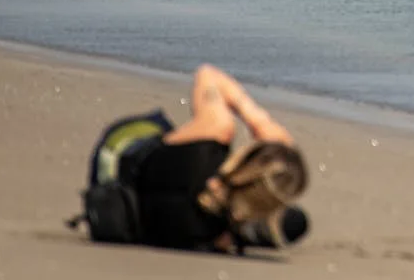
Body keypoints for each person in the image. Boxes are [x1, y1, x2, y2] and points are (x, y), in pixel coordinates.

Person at [130, 64, 310, 253]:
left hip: (132, 173)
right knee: (294, 221)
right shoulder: (220, 228)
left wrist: (258, 120)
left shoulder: (210, 144)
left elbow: (207, 75)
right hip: (169, 221)